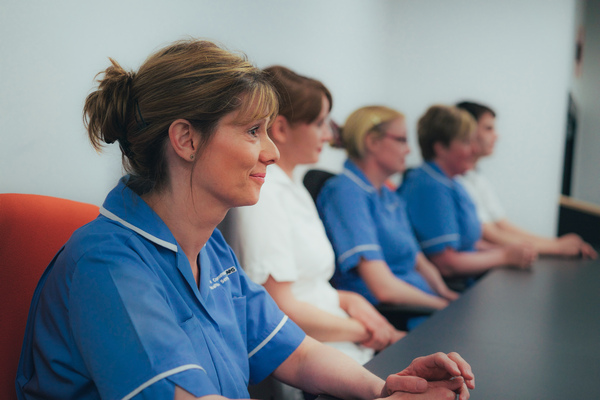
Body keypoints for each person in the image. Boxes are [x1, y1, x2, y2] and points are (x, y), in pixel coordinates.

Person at [15, 40, 474, 400]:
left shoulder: (208, 248)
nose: (272, 153)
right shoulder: (108, 267)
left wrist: (388, 388)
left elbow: (296, 352)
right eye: (254, 131)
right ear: (186, 140)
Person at [227, 67, 404, 368]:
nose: (328, 134)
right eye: (320, 122)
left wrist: (350, 301)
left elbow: (311, 285)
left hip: (343, 342)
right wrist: (370, 331)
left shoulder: (294, 186)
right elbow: (281, 307)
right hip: (317, 358)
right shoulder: (265, 195)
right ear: (281, 129)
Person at [316, 106, 459, 331]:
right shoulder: (346, 193)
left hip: (424, 306)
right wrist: (442, 306)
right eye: (402, 140)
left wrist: (446, 294)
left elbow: (418, 260)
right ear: (372, 142)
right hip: (398, 317)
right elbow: (384, 288)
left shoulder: (388, 194)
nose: (409, 150)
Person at [398, 105, 537, 279]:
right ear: (441, 147)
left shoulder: (454, 183)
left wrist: (508, 250)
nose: (474, 149)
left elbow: (469, 243)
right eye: (465, 142)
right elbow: (446, 263)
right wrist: (504, 256)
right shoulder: (429, 187)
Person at [455, 101, 597, 259]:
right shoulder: (457, 181)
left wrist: (557, 243)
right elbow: (490, 234)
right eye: (488, 128)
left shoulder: (476, 177)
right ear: (467, 131)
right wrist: (557, 247)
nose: (496, 135)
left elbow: (502, 225)